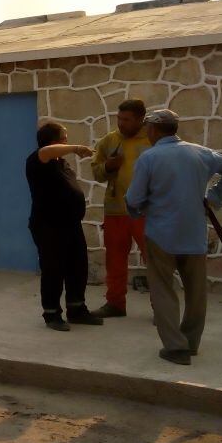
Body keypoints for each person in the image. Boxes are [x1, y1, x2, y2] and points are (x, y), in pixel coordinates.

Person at [125, 109, 222, 365]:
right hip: (194, 232)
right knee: (196, 291)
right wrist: (213, 198)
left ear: (155, 130)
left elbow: (134, 199)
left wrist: (137, 210)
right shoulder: (200, 152)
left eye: (149, 128)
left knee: (162, 289)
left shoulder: (150, 157)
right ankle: (191, 343)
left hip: (161, 233)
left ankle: (175, 347)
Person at [25, 121, 104, 331]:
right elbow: (47, 151)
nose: (67, 140)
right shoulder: (37, 159)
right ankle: (52, 314)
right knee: (53, 270)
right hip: (48, 226)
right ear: (52, 141)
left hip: (70, 225)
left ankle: (77, 310)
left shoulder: (62, 164)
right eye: (63, 137)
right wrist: (77, 149)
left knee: (78, 267)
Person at [91, 99, 152, 318]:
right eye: (119, 118)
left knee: (154, 260)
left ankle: (162, 307)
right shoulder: (109, 141)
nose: (121, 123)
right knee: (115, 260)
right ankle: (115, 304)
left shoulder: (153, 140)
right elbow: (96, 172)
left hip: (147, 212)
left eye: (126, 120)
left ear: (140, 119)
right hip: (116, 209)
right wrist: (108, 166)